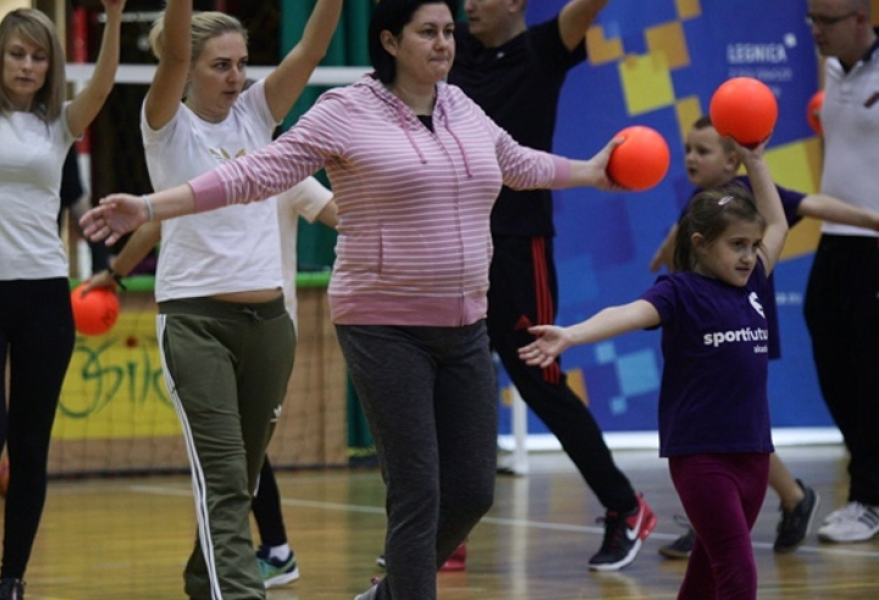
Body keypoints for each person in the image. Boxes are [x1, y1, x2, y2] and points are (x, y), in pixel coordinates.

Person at [81, 2, 621, 597]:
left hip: (430, 321)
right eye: (429, 32)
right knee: (387, 488)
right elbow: (247, 174)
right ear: (390, 40)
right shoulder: (326, 113)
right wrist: (150, 207)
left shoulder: (457, 105)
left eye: (449, 32)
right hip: (340, 321)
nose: (445, 43)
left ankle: (373, 589)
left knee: (471, 491)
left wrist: (590, 172)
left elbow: (512, 162)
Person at [84, 1, 342, 598]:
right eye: (221, 65)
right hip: (197, 322)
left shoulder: (257, 118)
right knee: (225, 480)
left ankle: (205, 580)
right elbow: (173, 52)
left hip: (270, 327)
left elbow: (310, 52)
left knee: (243, 478)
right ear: (191, 70)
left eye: (242, 64)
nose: (237, 77)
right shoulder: (168, 124)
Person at [519, 139, 785, 600]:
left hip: (755, 455)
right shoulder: (678, 293)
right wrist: (571, 334)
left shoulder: (754, 282)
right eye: (737, 245)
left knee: (705, 574)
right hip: (702, 459)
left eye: (753, 246)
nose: (748, 256)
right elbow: (624, 313)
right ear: (700, 245)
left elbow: (778, 221)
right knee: (739, 575)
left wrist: (756, 161)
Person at [0, 1, 125, 599]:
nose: (27, 65)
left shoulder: (60, 123)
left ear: (50, 65)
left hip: (43, 297)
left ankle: (12, 579)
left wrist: (111, 22)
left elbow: (106, 82)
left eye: (38, 56)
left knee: (30, 447)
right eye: (17, 53)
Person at [447, 0, 658, 571]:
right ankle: (447, 529)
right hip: (455, 240)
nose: (468, 6)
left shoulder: (543, 48)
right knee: (451, 379)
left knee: (539, 380)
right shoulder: (453, 47)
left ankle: (625, 506)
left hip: (520, 247)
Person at [85, 176, 337, 591]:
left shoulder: (288, 174)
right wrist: (114, 273)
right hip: (205, 323)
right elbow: (153, 223)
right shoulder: (196, 170)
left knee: (244, 455)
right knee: (228, 456)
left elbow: (341, 216)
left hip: (271, 333)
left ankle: (248, 558)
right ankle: (258, 556)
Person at [649, 115, 879, 557]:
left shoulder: (748, 196)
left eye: (703, 150)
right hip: (701, 330)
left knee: (729, 425)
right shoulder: (703, 202)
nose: (691, 158)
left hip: (736, 326)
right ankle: (767, 503)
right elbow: (689, 234)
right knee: (727, 423)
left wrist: (872, 219)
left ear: (734, 159)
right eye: (688, 149)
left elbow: (813, 205)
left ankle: (747, 508)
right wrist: (667, 247)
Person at [803, 0, 879, 544]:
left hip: (875, 245)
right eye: (811, 21)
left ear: (861, 18)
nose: (815, 32)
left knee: (871, 377)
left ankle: (868, 499)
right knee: (835, 370)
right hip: (835, 242)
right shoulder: (831, 68)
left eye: (825, 22)